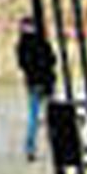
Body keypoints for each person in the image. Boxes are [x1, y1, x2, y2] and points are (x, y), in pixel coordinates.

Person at [16, 15, 56, 161]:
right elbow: (52, 59)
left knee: (33, 117)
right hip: (47, 82)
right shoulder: (42, 42)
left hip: (32, 83)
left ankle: (30, 148)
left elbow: (22, 65)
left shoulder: (21, 45)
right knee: (51, 115)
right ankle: (55, 145)